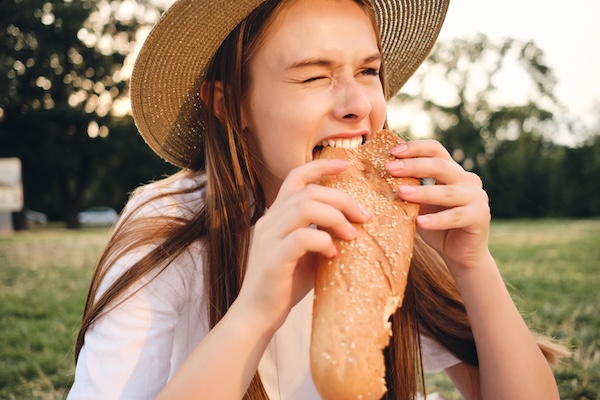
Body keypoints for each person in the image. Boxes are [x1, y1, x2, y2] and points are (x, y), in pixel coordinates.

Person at [68, 0, 569, 399]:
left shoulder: (385, 218)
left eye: (369, 71)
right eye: (314, 76)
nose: (358, 106)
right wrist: (256, 311)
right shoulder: (163, 227)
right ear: (228, 103)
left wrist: (472, 263)